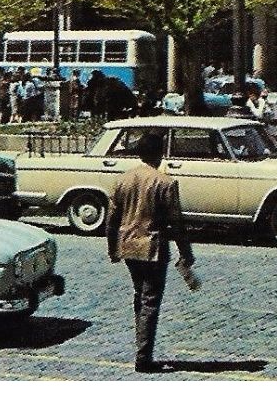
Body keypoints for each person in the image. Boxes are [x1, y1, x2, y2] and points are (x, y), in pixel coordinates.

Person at [106, 131, 194, 373]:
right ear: (160, 154)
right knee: (150, 301)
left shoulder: (122, 180)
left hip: (128, 246)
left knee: (140, 296)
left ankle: (141, 345)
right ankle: (143, 357)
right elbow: (176, 223)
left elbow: (112, 219)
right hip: (153, 247)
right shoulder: (165, 183)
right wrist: (185, 252)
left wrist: (112, 247)